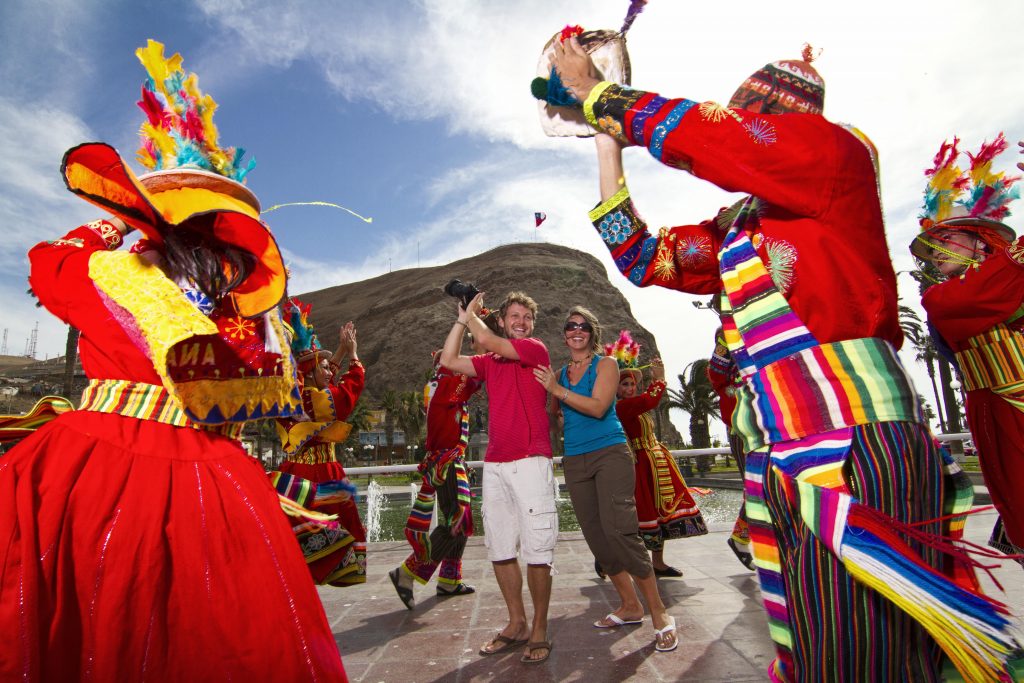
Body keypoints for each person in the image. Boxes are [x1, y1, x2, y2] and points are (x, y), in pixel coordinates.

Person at [549, 37, 1021, 682]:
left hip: (859, 437)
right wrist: (605, 139)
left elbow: (720, 138)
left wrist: (601, 95)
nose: (751, 129)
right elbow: (643, 257)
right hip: (783, 444)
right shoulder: (740, 225)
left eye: (757, 119)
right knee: (821, 637)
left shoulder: (837, 157)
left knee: (870, 651)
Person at [0, 40, 346, 681]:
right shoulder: (240, 324)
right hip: (212, 477)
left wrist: (107, 228)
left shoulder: (106, 274)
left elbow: (46, 263)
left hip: (90, 465)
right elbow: (271, 394)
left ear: (150, 224)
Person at [909, 133, 1024, 566]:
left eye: (949, 239)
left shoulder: (1008, 270)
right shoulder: (943, 297)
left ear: (980, 242)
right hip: (995, 414)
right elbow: (979, 297)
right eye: (931, 247)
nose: (937, 252)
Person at [534, 309, 678, 652]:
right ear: (565, 334)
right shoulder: (559, 374)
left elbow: (599, 407)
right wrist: (548, 412)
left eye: (583, 326)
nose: (576, 331)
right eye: (570, 326)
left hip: (610, 452)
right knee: (597, 537)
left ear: (591, 333)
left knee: (621, 531)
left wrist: (557, 391)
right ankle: (630, 605)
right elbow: (555, 420)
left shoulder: (607, 365)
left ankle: (660, 614)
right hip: (575, 459)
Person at [440, 291, 555, 664]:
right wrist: (461, 319)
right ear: (503, 320)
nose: (520, 321)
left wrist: (471, 312)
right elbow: (449, 359)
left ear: (531, 325)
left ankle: (539, 627)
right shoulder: (490, 362)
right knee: (501, 547)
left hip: (531, 461)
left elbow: (486, 338)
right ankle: (516, 622)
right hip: (495, 464)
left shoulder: (534, 349)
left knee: (538, 550)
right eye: (514, 316)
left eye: (526, 316)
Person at [274, 301, 367, 586]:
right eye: (324, 368)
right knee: (337, 529)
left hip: (298, 474)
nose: (330, 372)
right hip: (318, 477)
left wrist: (337, 352)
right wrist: (353, 356)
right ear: (310, 371)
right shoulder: (316, 401)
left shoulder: (297, 394)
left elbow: (323, 380)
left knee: (303, 535)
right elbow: (346, 392)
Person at [389, 336, 485, 608]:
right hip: (447, 462)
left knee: (461, 520)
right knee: (457, 521)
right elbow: (479, 371)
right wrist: (480, 346)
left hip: (446, 461)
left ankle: (449, 580)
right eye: (456, 361)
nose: (460, 365)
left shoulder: (439, 386)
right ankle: (407, 573)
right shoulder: (447, 385)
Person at [606, 330, 707, 577]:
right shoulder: (622, 407)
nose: (630, 388)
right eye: (625, 384)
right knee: (644, 515)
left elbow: (647, 401)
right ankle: (610, 558)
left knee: (659, 515)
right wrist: (660, 379)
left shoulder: (635, 404)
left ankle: (658, 563)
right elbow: (650, 400)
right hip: (639, 467)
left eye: (632, 384)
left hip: (655, 463)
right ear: (616, 388)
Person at [706, 327, 755, 571]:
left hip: (775, 415)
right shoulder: (727, 331)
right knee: (757, 484)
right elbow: (716, 374)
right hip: (743, 422)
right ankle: (741, 537)